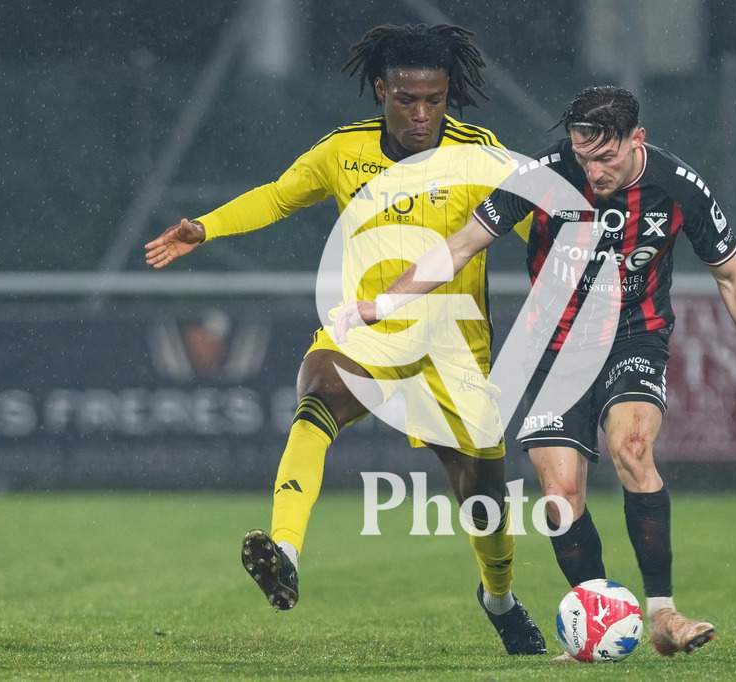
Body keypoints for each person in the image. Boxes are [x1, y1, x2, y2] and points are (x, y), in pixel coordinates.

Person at [335, 85, 736, 658]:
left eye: (606, 157)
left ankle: (662, 614)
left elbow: (732, 277)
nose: (592, 170)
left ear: (638, 139)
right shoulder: (543, 177)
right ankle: (596, 617)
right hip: (553, 346)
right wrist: (383, 303)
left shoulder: (676, 186)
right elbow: (462, 243)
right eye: (582, 155)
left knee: (634, 450)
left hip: (634, 337)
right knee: (560, 495)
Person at [143, 23, 546, 656]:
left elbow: (539, 227)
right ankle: (285, 552)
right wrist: (206, 228)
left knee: (483, 502)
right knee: (317, 400)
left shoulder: (483, 155)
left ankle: (499, 597)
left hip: (454, 353)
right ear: (380, 90)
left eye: (435, 100)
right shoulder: (341, 152)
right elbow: (279, 197)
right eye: (406, 100)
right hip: (366, 334)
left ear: (450, 95)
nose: (421, 115)